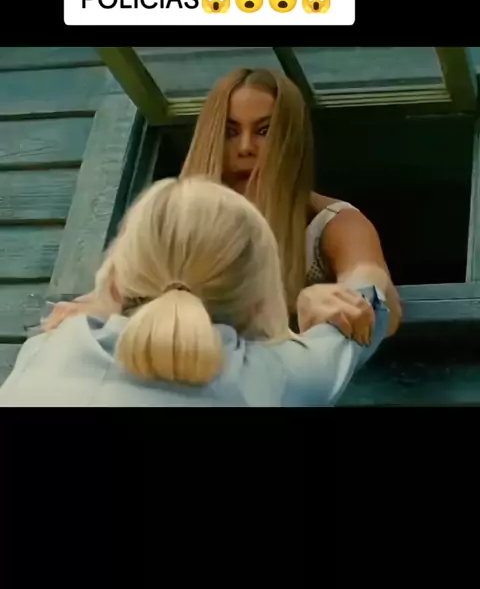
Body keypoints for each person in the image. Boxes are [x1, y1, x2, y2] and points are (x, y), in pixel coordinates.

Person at [44, 67, 402, 343]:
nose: (245, 147)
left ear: (289, 139)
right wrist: (94, 307)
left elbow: (371, 280)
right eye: (230, 131)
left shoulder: (333, 222)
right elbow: (114, 289)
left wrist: (344, 296)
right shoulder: (167, 219)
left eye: (264, 131)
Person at [0, 177, 390, 408]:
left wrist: (98, 305)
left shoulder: (48, 349)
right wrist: (320, 294)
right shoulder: (279, 377)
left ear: (116, 280)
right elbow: (369, 303)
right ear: (259, 300)